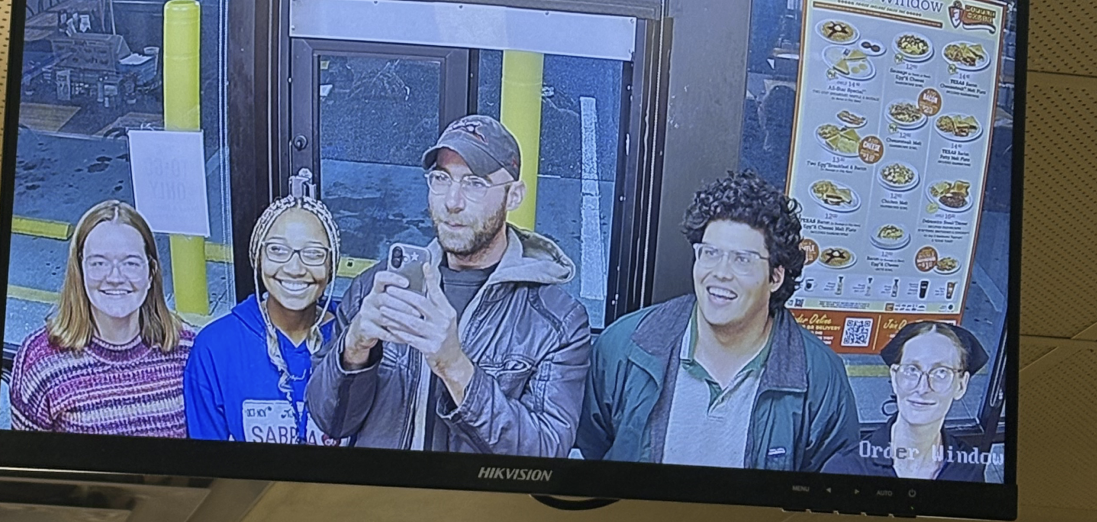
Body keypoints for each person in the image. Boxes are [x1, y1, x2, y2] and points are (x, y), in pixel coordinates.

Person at [308, 114, 591, 456]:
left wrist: (455, 367)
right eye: (441, 179)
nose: (452, 201)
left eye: (475, 183)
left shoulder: (557, 323)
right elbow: (331, 422)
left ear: (514, 196)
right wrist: (353, 349)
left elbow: (544, 451)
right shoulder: (379, 288)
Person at [578, 169, 858, 471]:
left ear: (775, 277)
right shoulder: (624, 347)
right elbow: (595, 454)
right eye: (710, 253)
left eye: (742, 259)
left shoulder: (818, 377)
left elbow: (831, 483)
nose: (721, 273)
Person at [10, 200, 194, 436]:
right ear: (80, 272)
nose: (115, 277)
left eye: (130, 263)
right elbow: (24, 456)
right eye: (99, 263)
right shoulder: (40, 360)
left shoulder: (188, 350)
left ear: (151, 273)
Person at [184, 195, 347, 445]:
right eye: (277, 250)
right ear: (258, 258)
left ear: (332, 264)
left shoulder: (354, 342)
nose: (295, 268)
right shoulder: (216, 347)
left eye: (313, 253)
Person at [823, 321, 991, 480]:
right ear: (895, 378)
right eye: (912, 370)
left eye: (941, 372)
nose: (923, 388)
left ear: (961, 385)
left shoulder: (968, 469)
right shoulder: (846, 468)